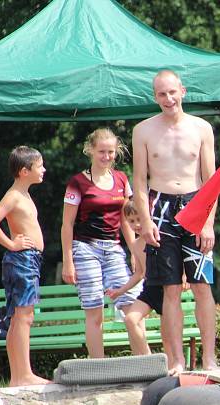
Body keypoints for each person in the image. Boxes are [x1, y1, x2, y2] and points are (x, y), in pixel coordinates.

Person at [132, 69, 217, 375]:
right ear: (155, 97)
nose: (168, 99)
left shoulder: (201, 128)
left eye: (171, 92)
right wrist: (145, 220)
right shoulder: (143, 130)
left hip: (196, 205)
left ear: (182, 91)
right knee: (170, 289)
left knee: (202, 286)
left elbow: (212, 181)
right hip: (160, 208)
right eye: (161, 94)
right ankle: (176, 360)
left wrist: (208, 223)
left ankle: (209, 358)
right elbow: (140, 181)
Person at [61, 128, 137, 358]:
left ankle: (143, 361)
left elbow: (127, 219)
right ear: (90, 151)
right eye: (101, 151)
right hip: (85, 248)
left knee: (130, 303)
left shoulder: (122, 179)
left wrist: (134, 251)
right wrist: (68, 261)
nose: (106, 156)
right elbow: (67, 224)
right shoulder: (77, 182)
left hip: (113, 248)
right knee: (95, 310)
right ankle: (98, 364)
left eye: (111, 152)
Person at [0, 146, 50, 387]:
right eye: (39, 165)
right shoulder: (14, 196)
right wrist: (12, 244)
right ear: (24, 171)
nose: (44, 170)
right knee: (24, 316)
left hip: (28, 261)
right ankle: (24, 375)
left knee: (18, 317)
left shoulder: (25, 195)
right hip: (23, 260)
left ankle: (17, 376)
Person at [105, 199, 171, 361]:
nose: (136, 225)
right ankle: (148, 359)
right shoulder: (135, 245)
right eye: (131, 221)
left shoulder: (159, 236)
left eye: (139, 219)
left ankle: (172, 364)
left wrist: (184, 277)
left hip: (167, 289)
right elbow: (139, 273)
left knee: (167, 333)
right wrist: (120, 291)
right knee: (130, 319)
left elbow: (175, 259)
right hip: (149, 289)